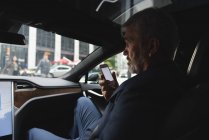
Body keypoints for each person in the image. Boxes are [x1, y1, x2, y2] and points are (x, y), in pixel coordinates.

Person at [28, 7, 185, 140]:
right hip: (100, 129)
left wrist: (121, 95)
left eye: (129, 43)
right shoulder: (174, 79)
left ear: (151, 47)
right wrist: (115, 96)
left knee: (33, 132)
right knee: (83, 103)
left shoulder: (140, 90)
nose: (124, 52)